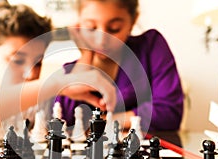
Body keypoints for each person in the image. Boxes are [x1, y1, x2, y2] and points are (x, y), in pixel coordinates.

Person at [0, 2, 116, 147]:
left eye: (38, 62)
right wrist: (53, 84)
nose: (30, 73)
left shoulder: (36, 102)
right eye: (17, 60)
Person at [55, 0, 184, 133]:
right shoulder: (70, 71)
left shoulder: (150, 47)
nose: (101, 40)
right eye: (91, 28)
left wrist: (104, 122)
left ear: (133, 21)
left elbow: (169, 113)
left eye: (114, 28)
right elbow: (62, 121)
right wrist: (85, 57)